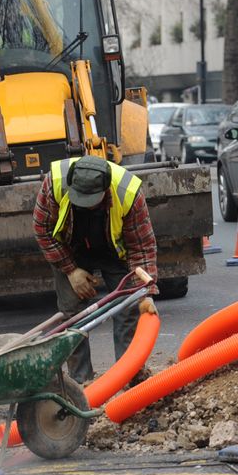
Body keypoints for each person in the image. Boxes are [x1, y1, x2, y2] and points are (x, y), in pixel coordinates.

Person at [33, 155, 158, 383]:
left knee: (128, 308)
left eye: (91, 200)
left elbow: (142, 247)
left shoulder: (127, 192)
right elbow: (42, 230)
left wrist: (145, 294)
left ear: (106, 189)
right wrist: (71, 270)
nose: (85, 204)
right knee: (72, 315)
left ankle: (128, 378)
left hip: (114, 250)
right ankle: (82, 384)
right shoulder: (55, 183)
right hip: (72, 249)